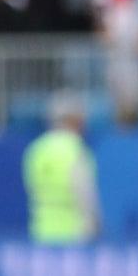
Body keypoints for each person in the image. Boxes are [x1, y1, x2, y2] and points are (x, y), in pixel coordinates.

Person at [24, 92, 98, 244]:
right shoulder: (75, 150)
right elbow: (85, 196)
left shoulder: (36, 150)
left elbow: (32, 190)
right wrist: (93, 228)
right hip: (72, 237)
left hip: (40, 234)